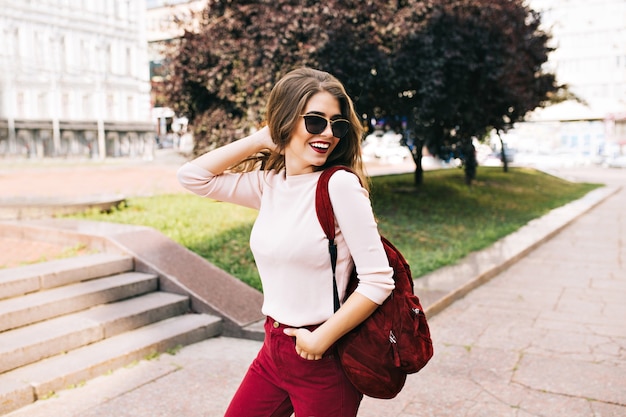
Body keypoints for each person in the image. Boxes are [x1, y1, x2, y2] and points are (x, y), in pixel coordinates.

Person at [177, 67, 394, 417]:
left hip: (324, 355)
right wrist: (262, 139)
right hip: (273, 349)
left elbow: (378, 280)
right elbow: (193, 177)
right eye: (314, 121)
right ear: (286, 121)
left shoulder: (339, 185)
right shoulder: (270, 184)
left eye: (337, 124)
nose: (328, 133)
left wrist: (320, 338)